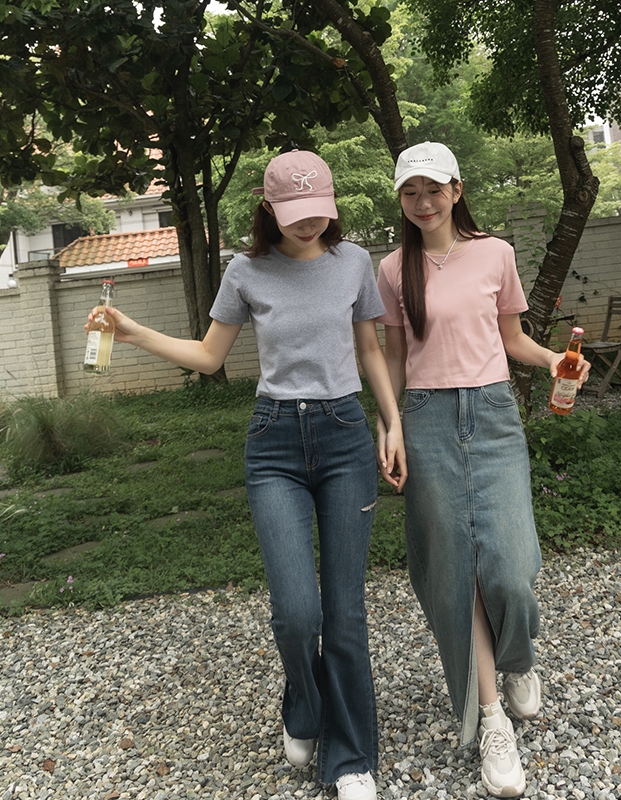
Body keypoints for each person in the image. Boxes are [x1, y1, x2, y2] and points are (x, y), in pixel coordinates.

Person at [86, 150, 406, 800]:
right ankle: (306, 706)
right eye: (296, 213)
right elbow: (209, 357)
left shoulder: (353, 262)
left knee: (344, 613)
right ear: (269, 209)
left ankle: (351, 759)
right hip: (274, 444)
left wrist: (390, 421)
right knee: (296, 613)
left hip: (345, 435)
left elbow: (370, 347)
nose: (310, 223)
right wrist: (133, 332)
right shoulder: (246, 270)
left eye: (319, 211)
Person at [376, 142, 589, 798]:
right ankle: (490, 715)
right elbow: (392, 356)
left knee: (511, 567)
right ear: (401, 197)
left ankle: (518, 657)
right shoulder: (392, 269)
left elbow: (512, 337)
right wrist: (390, 424)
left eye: (433, 189)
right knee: (456, 572)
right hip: (427, 419)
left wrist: (553, 362)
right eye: (410, 191)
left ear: (457, 189)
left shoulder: (494, 253)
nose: (423, 202)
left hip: (493, 417)